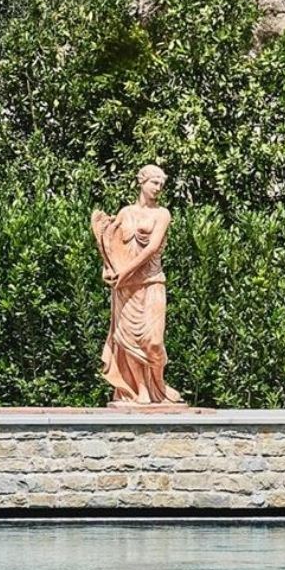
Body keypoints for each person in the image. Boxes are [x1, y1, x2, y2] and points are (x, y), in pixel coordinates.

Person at [90, 164, 183, 406]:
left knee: (153, 341)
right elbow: (110, 247)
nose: (158, 188)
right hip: (125, 287)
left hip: (151, 281)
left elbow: (152, 247)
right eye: (154, 182)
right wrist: (108, 270)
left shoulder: (162, 214)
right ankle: (141, 389)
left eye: (161, 184)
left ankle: (159, 385)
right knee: (128, 340)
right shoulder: (125, 213)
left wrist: (125, 271)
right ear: (141, 182)